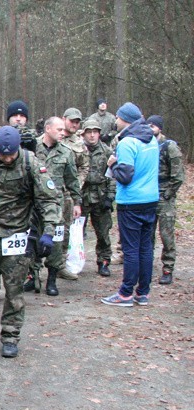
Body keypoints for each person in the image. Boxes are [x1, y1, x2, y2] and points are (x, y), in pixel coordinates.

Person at [0, 127, 62, 358]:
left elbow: (49, 200)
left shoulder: (31, 163)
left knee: (14, 289)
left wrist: (48, 232)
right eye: (2, 154)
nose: (7, 159)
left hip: (15, 235)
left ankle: (10, 336)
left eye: (11, 155)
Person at [101, 102, 159, 306]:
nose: (115, 121)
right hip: (151, 200)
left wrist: (112, 164)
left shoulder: (127, 143)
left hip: (131, 202)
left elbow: (125, 176)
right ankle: (143, 292)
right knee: (146, 249)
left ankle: (125, 293)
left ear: (125, 119)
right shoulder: (152, 139)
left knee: (131, 250)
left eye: (117, 117)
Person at [25, 117, 79, 297]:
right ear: (48, 129)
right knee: (32, 241)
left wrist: (77, 202)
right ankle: (33, 276)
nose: (63, 133)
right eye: (59, 129)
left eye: (64, 130)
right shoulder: (32, 147)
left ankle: (52, 280)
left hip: (56, 205)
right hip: (32, 204)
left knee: (55, 242)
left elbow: (72, 180)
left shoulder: (66, 152)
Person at [146, 115, 185, 285]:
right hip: (148, 195)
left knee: (166, 234)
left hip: (164, 196)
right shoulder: (146, 145)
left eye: (153, 125)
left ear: (160, 128)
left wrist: (168, 193)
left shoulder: (169, 147)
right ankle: (146, 266)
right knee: (147, 234)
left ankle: (168, 268)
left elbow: (178, 176)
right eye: (148, 125)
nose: (150, 127)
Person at [56, 107, 90, 281]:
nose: (75, 124)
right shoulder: (54, 136)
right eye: (72, 121)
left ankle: (61, 264)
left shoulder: (80, 144)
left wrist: (77, 183)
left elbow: (84, 166)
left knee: (65, 230)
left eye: (77, 122)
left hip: (68, 193)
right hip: (50, 191)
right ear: (64, 119)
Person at [79, 118, 115, 277]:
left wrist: (110, 197)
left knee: (103, 232)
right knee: (75, 232)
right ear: (84, 133)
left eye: (95, 132)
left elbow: (113, 176)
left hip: (100, 196)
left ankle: (104, 261)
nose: (92, 136)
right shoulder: (78, 150)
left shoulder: (107, 151)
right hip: (82, 196)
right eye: (89, 132)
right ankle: (73, 262)